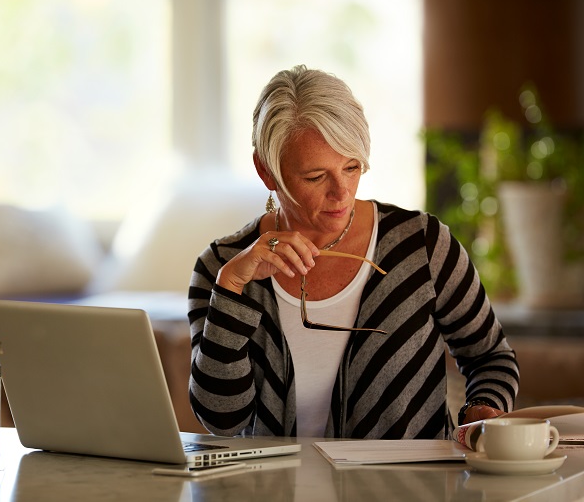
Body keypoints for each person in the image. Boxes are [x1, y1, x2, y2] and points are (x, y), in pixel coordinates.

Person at [188, 65, 519, 439]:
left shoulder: (422, 245)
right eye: (315, 176)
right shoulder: (221, 267)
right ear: (266, 171)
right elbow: (221, 420)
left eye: (352, 167)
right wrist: (231, 287)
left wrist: (483, 407)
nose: (342, 192)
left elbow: (491, 356)